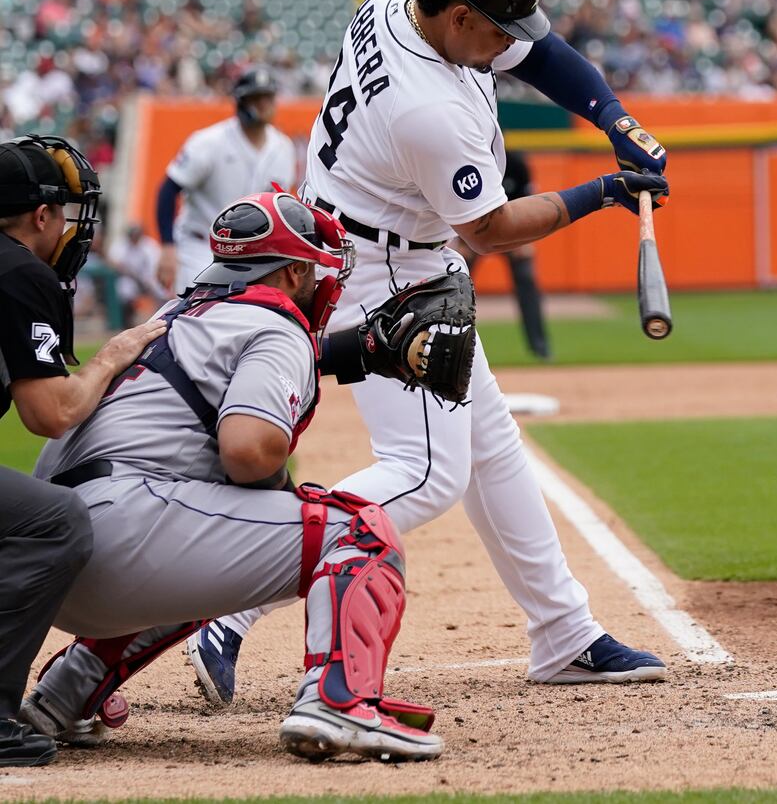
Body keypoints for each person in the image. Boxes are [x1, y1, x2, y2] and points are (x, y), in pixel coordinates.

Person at [189, 0, 671, 706]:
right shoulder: (427, 110)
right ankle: (228, 604)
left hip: (386, 244)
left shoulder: (403, 0)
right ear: (455, 17)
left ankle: (564, 634)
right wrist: (605, 194)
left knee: (492, 444)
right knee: (427, 472)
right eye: (493, 28)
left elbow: (541, 54)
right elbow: (489, 230)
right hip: (380, 272)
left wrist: (613, 119)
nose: (505, 43)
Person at [17, 189, 454, 763]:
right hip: (127, 532)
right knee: (359, 530)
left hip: (55, 558)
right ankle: (338, 702)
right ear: (295, 270)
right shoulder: (277, 322)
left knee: (214, 531)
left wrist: (360, 353)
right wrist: (285, 492)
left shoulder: (173, 314)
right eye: (315, 269)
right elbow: (247, 452)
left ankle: (63, 695)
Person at [0, 135, 166, 767]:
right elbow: (52, 414)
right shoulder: (19, 270)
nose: (70, 228)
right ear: (41, 216)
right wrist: (112, 356)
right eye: (64, 212)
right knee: (55, 519)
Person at [156, 66, 296, 296]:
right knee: (199, 318)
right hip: (200, 246)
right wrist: (167, 246)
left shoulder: (283, 147)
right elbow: (169, 189)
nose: (263, 104)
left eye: (267, 97)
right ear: (241, 102)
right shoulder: (209, 142)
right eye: (255, 98)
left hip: (251, 254)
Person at [455, 151, 551, 360]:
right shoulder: (468, 161)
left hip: (512, 233)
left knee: (526, 278)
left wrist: (525, 240)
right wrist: (462, 242)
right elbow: (456, 204)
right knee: (455, 285)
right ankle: (451, 345)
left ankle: (540, 347)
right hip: (475, 232)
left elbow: (530, 203)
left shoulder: (516, 164)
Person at [107, 223, 168, 327]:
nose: (134, 237)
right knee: (124, 290)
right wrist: (127, 271)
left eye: (137, 235)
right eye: (132, 235)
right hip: (129, 278)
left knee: (162, 292)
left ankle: (163, 318)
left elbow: (155, 266)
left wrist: (148, 280)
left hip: (148, 278)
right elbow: (113, 262)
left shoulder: (149, 244)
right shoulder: (121, 244)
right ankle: (126, 322)